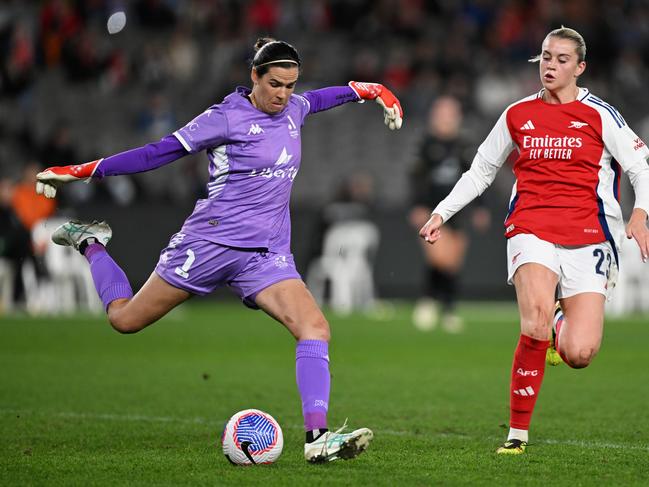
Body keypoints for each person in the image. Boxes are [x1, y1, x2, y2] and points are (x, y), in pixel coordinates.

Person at [35, 38, 403, 464]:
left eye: (290, 85)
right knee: (124, 320)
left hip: (264, 255)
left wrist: (372, 89)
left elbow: (324, 98)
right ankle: (90, 242)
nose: (284, 94)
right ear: (254, 77)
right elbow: (157, 153)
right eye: (275, 84)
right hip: (208, 244)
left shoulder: (294, 110)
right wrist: (80, 171)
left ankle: (317, 438)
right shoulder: (224, 118)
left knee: (315, 328)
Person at [418, 27, 649, 454]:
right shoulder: (516, 114)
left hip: (589, 233)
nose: (550, 66)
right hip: (531, 226)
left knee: (579, 353)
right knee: (534, 321)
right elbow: (481, 171)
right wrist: (441, 213)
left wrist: (639, 212)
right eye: (545, 57)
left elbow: (640, 167)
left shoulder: (601, 114)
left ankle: (561, 325)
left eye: (562, 59)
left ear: (580, 68)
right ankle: (517, 435)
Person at [409, 95, 490, 333]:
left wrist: (480, 207)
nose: (445, 118)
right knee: (439, 257)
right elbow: (416, 178)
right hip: (432, 211)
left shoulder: (463, 146)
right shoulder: (426, 144)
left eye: (450, 113)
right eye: (441, 113)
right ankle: (429, 300)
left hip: (458, 212)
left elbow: (476, 177)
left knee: (453, 262)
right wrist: (418, 206)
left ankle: (446, 308)